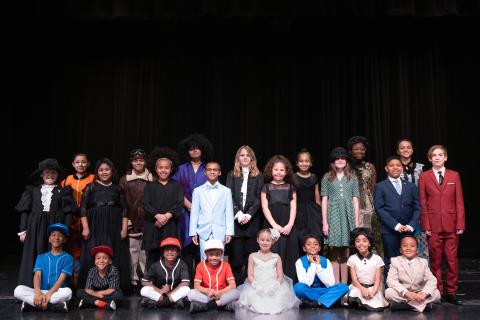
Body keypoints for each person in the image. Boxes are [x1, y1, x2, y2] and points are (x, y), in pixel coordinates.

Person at [15, 158, 76, 287]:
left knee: (54, 254)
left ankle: (54, 287)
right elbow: (25, 211)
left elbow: (68, 213)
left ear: (58, 175)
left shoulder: (63, 191)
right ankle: (32, 287)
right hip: (35, 228)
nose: (50, 176)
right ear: (41, 175)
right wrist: (23, 231)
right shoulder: (32, 191)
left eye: (53, 173)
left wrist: (65, 230)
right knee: (35, 254)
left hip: (55, 228)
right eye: (47, 173)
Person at [418, 145, 465, 305]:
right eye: (434, 155)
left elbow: (459, 201)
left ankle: (451, 292)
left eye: (440, 155)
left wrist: (460, 223)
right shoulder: (424, 176)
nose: (437, 158)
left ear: (445, 158)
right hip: (433, 225)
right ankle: (437, 291)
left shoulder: (454, 175)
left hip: (452, 225)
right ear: (430, 159)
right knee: (435, 261)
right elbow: (423, 202)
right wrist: (426, 225)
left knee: (452, 260)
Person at [79, 158, 131, 292]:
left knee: (115, 252)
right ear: (97, 172)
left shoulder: (118, 188)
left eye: (107, 169)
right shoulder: (91, 187)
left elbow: (125, 209)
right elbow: (83, 208)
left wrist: (124, 228)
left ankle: (114, 287)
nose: (104, 172)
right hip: (94, 225)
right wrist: (85, 228)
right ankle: (91, 286)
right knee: (94, 251)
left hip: (114, 225)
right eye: (101, 170)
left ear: (112, 171)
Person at [172, 133, 214, 281]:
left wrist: (199, 208)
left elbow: (213, 191)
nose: (195, 151)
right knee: (187, 247)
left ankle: (202, 281)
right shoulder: (180, 169)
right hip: (185, 213)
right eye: (191, 149)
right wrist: (189, 205)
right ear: (187, 151)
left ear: (203, 150)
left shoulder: (209, 169)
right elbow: (176, 189)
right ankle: (186, 281)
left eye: (197, 148)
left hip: (205, 214)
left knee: (202, 248)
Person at [374, 156, 420, 278]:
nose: (395, 167)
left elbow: (417, 207)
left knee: (409, 259)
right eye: (391, 165)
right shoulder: (380, 186)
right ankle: (391, 290)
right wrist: (396, 225)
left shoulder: (410, 186)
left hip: (408, 230)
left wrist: (411, 225)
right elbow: (379, 208)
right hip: (389, 230)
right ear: (386, 168)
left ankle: (409, 287)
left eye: (398, 165)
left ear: (402, 168)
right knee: (391, 259)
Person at [238, 228, 300, 314]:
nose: (265, 242)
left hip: (273, 285)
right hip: (257, 285)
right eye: (262, 240)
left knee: (278, 300)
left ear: (272, 241)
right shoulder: (252, 256)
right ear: (257, 240)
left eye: (268, 240)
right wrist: (256, 285)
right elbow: (250, 275)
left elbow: (280, 275)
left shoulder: (276, 257)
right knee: (253, 299)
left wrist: (276, 285)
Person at [14, 223, 73, 313]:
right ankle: (53, 307)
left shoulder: (68, 258)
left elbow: (62, 279)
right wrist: (38, 293)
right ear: (49, 239)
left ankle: (32, 305)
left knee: (68, 292)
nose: (56, 238)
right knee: (18, 290)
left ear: (64, 240)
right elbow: (37, 276)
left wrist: (49, 294)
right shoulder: (41, 257)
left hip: (56, 292)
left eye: (60, 236)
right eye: (53, 235)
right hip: (41, 291)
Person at [321, 147, 360, 284]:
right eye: (337, 158)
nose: (340, 160)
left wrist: (355, 220)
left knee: (345, 251)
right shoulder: (327, 177)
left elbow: (355, 199)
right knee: (334, 250)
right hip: (333, 216)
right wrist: (325, 222)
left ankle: (344, 285)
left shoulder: (353, 177)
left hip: (348, 215)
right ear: (333, 161)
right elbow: (324, 200)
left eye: (342, 158)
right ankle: (336, 284)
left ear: (347, 161)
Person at [226, 145, 264, 284]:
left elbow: (259, 197)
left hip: (252, 222)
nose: (245, 157)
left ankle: (250, 286)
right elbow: (229, 196)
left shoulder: (258, 175)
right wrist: (239, 214)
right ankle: (235, 287)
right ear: (238, 158)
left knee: (251, 256)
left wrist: (249, 214)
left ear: (252, 158)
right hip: (236, 222)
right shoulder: (231, 175)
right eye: (242, 155)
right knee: (236, 258)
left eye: (248, 155)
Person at [119, 148, 153, 290]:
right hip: (132, 221)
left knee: (146, 253)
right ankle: (133, 281)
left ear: (145, 162)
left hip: (148, 221)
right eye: (135, 160)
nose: (138, 163)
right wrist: (126, 222)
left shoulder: (152, 178)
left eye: (141, 160)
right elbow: (122, 204)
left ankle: (145, 279)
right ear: (131, 162)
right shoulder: (124, 180)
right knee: (132, 252)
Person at [143, 147, 183, 266]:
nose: (163, 170)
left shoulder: (176, 186)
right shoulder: (150, 186)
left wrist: (166, 216)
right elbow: (145, 203)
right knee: (153, 254)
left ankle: (171, 280)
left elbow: (179, 204)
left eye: (166, 168)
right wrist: (157, 216)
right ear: (156, 169)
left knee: (170, 251)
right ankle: (151, 281)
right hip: (153, 225)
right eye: (160, 168)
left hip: (170, 225)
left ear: (171, 169)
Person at [261, 155, 299, 279]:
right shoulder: (266, 187)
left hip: (288, 224)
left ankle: (288, 282)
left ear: (286, 171)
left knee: (289, 252)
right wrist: (275, 226)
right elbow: (265, 208)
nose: (278, 172)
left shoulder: (290, 187)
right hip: (272, 224)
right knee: (273, 252)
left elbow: (293, 207)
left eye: (281, 170)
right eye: (276, 169)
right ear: (271, 170)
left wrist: (289, 225)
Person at [61, 152, 95, 284]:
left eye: (83, 162)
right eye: (78, 162)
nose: (81, 164)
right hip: (72, 219)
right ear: (73, 164)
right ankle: (72, 278)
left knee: (87, 246)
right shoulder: (66, 180)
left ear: (88, 164)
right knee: (71, 247)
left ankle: (87, 277)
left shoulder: (93, 178)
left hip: (88, 218)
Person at [189, 161, 234, 260]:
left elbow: (229, 212)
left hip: (220, 230)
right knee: (204, 258)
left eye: (215, 170)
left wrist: (229, 231)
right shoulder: (198, 191)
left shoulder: (226, 191)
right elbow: (194, 213)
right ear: (205, 172)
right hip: (204, 230)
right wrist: (193, 232)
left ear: (219, 172)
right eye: (209, 170)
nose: (212, 172)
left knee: (219, 258)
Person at [347, 136, 383, 256]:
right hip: (350, 204)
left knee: (367, 234)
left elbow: (373, 187)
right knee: (352, 233)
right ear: (351, 151)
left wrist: (375, 207)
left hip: (367, 205)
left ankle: (368, 262)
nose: (359, 151)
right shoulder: (345, 167)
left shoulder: (370, 167)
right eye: (356, 149)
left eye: (362, 149)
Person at [385, 235, 441, 312]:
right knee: (388, 293)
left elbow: (432, 280)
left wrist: (424, 293)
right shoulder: (395, 261)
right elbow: (391, 280)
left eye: (412, 246)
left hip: (419, 292)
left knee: (437, 294)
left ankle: (406, 306)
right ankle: (421, 305)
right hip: (404, 293)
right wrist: (406, 293)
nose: (408, 248)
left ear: (417, 250)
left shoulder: (423, 262)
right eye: (405, 246)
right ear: (400, 250)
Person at [294, 234, 349, 308]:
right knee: (298, 288)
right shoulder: (300, 262)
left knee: (344, 287)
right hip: (310, 291)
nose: (312, 246)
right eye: (309, 244)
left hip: (325, 291)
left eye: (315, 244)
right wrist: (313, 265)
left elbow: (330, 283)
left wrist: (318, 266)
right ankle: (327, 301)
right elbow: (306, 283)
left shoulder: (326, 261)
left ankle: (316, 303)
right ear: (304, 248)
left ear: (319, 248)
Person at [396, 139, 428, 260]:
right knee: (402, 242)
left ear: (412, 150)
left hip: (418, 210)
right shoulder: (394, 167)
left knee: (420, 241)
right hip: (401, 210)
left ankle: (422, 273)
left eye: (408, 147)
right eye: (402, 147)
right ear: (398, 151)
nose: (405, 150)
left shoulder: (421, 167)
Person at [187, 239, 239, 313]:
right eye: (211, 254)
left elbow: (233, 285)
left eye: (217, 254)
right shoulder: (200, 265)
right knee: (190, 293)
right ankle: (224, 305)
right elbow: (196, 285)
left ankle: (206, 306)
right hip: (207, 296)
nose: (214, 257)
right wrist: (207, 291)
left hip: (222, 294)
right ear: (206, 254)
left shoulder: (226, 265)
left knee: (236, 292)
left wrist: (221, 292)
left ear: (221, 254)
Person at [140, 237, 190, 309]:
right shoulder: (156, 265)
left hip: (174, 293)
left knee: (186, 289)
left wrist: (171, 293)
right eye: (167, 250)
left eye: (173, 250)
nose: (170, 252)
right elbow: (144, 281)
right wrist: (159, 290)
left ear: (178, 252)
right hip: (160, 294)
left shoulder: (182, 264)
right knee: (144, 290)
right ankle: (171, 303)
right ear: (163, 252)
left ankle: (158, 304)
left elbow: (185, 282)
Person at [347, 228, 388, 311]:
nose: (361, 243)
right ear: (354, 244)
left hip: (373, 288)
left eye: (364, 241)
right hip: (358, 287)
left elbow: (377, 280)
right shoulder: (352, 259)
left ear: (369, 243)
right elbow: (354, 280)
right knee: (354, 295)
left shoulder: (377, 259)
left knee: (374, 304)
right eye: (358, 241)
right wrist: (362, 289)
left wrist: (373, 292)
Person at [77, 246, 122, 311]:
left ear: (110, 261)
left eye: (105, 258)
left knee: (118, 295)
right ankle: (105, 304)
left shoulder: (113, 270)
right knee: (79, 292)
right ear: (95, 261)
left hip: (107, 294)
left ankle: (89, 302)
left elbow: (111, 290)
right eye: (98, 258)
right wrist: (97, 294)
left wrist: (96, 294)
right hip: (96, 294)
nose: (101, 261)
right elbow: (88, 289)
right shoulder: (92, 271)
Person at [293, 149, 323, 247]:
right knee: (300, 237)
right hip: (298, 211)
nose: (304, 163)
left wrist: (322, 215)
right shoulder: (293, 178)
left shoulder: (314, 177)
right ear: (297, 163)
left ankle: (314, 261)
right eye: (301, 161)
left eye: (307, 161)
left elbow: (317, 198)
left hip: (313, 212)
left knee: (314, 238)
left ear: (311, 163)